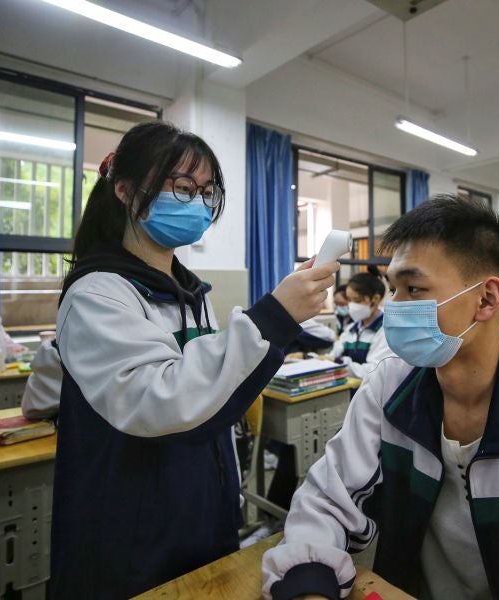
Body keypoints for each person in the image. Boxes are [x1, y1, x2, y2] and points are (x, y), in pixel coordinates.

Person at [262, 195, 499, 600]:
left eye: (413, 288)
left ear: (486, 299)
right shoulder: (389, 385)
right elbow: (326, 499)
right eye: (393, 288)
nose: (395, 306)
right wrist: (310, 584)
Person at [49, 121, 338, 599]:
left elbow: (208, 394)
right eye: (183, 187)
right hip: (131, 528)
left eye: (207, 191)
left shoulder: (188, 290)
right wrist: (275, 316)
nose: (199, 202)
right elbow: (161, 400)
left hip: (201, 506)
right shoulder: (98, 294)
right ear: (124, 190)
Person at [330, 266, 394, 378]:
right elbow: (332, 355)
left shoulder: (386, 330)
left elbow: (373, 370)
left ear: (375, 299)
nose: (351, 305)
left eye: (357, 300)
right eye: (349, 300)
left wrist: (338, 362)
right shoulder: (351, 329)